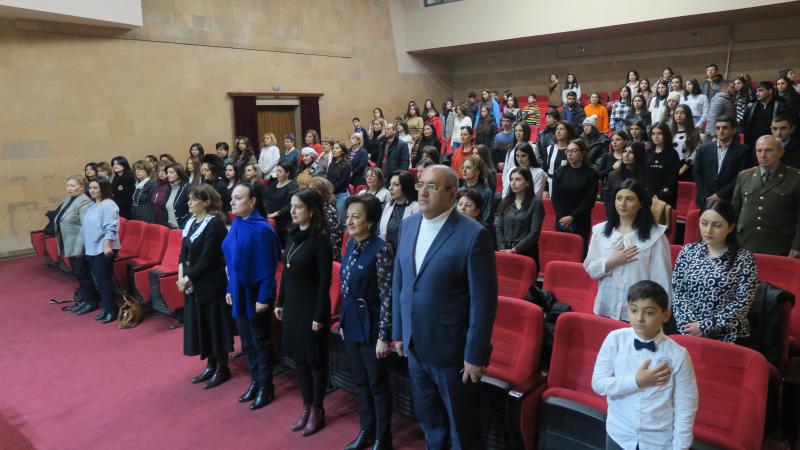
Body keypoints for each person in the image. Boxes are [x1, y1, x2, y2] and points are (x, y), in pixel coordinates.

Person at [392, 165, 497, 450]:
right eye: (421, 185)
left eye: (432, 186)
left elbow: (483, 301)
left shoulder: (473, 235)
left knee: (462, 427)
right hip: (415, 344)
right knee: (429, 420)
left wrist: (475, 354)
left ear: (452, 193)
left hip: (452, 352)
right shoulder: (409, 225)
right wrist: (399, 331)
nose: (423, 192)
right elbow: (400, 282)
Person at [591, 280, 698, 450]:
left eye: (649, 312)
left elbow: (686, 406)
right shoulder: (615, 339)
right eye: (634, 310)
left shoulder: (678, 355)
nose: (639, 319)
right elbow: (598, 384)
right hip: (619, 434)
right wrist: (637, 381)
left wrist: (680, 447)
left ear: (665, 315)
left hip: (658, 442)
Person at [275, 189, 333, 436]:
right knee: (300, 359)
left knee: (314, 360)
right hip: (293, 306)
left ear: (311, 210)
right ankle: (306, 407)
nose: (292, 211)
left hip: (312, 308)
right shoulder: (292, 235)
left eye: (298, 207)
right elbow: (287, 272)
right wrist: (280, 301)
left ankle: (318, 410)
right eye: (291, 206)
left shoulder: (320, 240)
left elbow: (324, 281)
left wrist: (319, 315)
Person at [340, 195, 395, 450]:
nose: (349, 221)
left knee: (377, 383)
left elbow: (387, 295)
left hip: (373, 323)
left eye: (356, 216)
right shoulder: (351, 242)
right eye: (348, 216)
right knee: (360, 381)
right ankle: (366, 430)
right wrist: (343, 321)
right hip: (352, 320)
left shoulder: (381, 249)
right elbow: (345, 286)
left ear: (370, 222)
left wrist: (384, 335)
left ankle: (383, 438)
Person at [223, 182, 280, 410]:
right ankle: (255, 381)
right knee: (247, 341)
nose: (232, 202)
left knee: (260, 341)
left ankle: (266, 386)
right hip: (239, 290)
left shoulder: (263, 229)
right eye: (232, 197)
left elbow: (269, 267)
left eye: (238, 198)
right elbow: (231, 262)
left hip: (256, 293)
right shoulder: (237, 223)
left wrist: (264, 298)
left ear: (252, 201)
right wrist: (230, 288)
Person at [672, 199, 758, 344]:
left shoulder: (744, 259)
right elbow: (678, 293)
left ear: (730, 227)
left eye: (717, 225)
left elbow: (743, 303)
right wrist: (689, 327)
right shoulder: (688, 251)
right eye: (704, 223)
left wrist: (705, 326)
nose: (708, 230)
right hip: (688, 330)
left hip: (729, 334)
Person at [585, 179, 671, 320]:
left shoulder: (656, 236)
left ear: (641, 203)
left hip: (639, 315)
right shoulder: (600, 231)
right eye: (619, 198)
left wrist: (660, 313)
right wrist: (610, 262)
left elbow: (662, 281)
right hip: (606, 308)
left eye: (629, 199)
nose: (622, 204)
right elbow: (591, 270)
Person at [178, 185, 233, 390]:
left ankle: (222, 367)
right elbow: (183, 254)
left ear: (206, 202)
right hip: (194, 283)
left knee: (215, 325)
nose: (189, 202)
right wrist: (181, 275)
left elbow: (209, 258)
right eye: (189, 199)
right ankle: (210, 364)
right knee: (202, 324)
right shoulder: (190, 222)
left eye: (194, 199)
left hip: (211, 283)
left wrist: (188, 277)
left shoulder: (214, 224)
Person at [732, 135, 800, 257]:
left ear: (781, 152)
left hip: (779, 244)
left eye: (768, 150)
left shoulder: (795, 178)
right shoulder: (744, 176)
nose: (763, 155)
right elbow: (734, 211)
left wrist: (797, 245)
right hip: (745, 242)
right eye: (759, 151)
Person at [55, 176, 96, 315]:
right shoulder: (69, 200)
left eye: (72, 186)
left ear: (82, 187)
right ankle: (84, 299)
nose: (69, 188)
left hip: (78, 245)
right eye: (67, 186)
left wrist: (79, 247)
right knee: (78, 274)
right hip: (69, 243)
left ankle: (91, 301)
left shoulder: (84, 201)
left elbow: (85, 227)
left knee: (83, 274)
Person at [82, 178, 121, 324]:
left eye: (95, 188)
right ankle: (106, 308)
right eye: (90, 188)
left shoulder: (108, 204)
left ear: (103, 189)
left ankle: (112, 310)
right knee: (99, 281)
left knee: (104, 280)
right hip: (92, 248)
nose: (92, 191)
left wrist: (107, 245)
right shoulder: (92, 205)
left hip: (103, 248)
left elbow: (111, 227)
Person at [693, 117, 752, 209]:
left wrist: (720, 195)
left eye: (725, 128)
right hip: (705, 199)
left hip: (728, 200)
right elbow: (697, 173)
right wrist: (707, 195)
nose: (721, 131)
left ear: (733, 130)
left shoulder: (743, 151)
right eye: (718, 128)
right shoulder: (703, 149)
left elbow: (740, 177)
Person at [552, 139, 599, 251]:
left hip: (581, 219)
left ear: (582, 153)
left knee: (578, 252)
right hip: (561, 219)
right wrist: (561, 217)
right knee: (561, 252)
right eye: (567, 151)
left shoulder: (591, 174)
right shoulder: (559, 171)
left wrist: (572, 217)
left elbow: (589, 200)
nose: (569, 154)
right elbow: (555, 197)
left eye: (573, 151)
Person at [495, 167, 545, 268]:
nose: (513, 183)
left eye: (517, 179)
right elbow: (498, 227)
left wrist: (514, 250)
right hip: (505, 251)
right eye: (511, 179)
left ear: (527, 183)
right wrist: (503, 249)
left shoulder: (536, 203)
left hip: (526, 252)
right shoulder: (505, 201)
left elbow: (534, 233)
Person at [742, 81, 792, 148]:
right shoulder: (751, 105)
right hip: (753, 143)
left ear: (770, 91)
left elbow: (790, 124)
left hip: (774, 143)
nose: (757, 93)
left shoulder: (782, 106)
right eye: (756, 91)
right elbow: (745, 123)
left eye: (760, 91)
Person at [379, 171, 419, 251]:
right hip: (387, 252)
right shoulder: (388, 206)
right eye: (390, 184)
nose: (390, 188)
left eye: (396, 185)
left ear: (406, 186)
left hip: (406, 251)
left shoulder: (416, 208)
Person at [306, 176, 344, 262]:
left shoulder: (328, 212)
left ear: (322, 193)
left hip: (327, 256)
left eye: (313, 190)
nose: (309, 193)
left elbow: (331, 244)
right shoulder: (316, 208)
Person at [648, 122, 680, 207]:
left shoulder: (673, 154)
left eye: (659, 133)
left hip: (667, 197)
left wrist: (659, 195)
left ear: (665, 135)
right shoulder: (647, 153)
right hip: (648, 196)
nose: (656, 136)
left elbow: (673, 178)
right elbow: (644, 176)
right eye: (653, 134)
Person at [266, 162, 298, 247]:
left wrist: (276, 213)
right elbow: (267, 198)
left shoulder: (292, 185)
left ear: (287, 173)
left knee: (282, 246)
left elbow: (290, 205)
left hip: (284, 221)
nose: (277, 173)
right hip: (271, 218)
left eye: (280, 171)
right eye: (276, 171)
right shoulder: (274, 183)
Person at [543, 121, 576, 195]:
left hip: (566, 189)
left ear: (568, 132)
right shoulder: (549, 149)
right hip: (549, 189)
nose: (558, 131)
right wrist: (545, 190)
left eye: (562, 129)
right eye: (557, 129)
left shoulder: (572, 151)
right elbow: (545, 171)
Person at [458, 156, 494, 224]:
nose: (464, 170)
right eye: (463, 167)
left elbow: (486, 219)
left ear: (477, 172)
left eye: (468, 168)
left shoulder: (486, 192)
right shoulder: (460, 191)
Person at [671, 105, 701, 181]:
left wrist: (683, 169)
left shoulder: (694, 132)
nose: (678, 115)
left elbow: (696, 152)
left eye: (682, 113)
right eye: (676, 113)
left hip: (688, 169)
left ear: (687, 115)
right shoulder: (670, 132)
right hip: (671, 168)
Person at [326, 140, 353, 223]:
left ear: (343, 151)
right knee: (332, 220)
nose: (334, 150)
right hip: (331, 194)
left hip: (341, 195)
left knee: (343, 221)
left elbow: (343, 182)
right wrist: (329, 192)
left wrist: (331, 192)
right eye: (333, 148)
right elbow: (328, 179)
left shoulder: (347, 165)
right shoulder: (332, 164)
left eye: (337, 148)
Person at [164, 163, 191, 229]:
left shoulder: (187, 188)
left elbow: (192, 211)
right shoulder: (169, 188)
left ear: (179, 173)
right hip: (170, 227)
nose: (168, 175)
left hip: (183, 227)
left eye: (171, 172)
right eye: (167, 172)